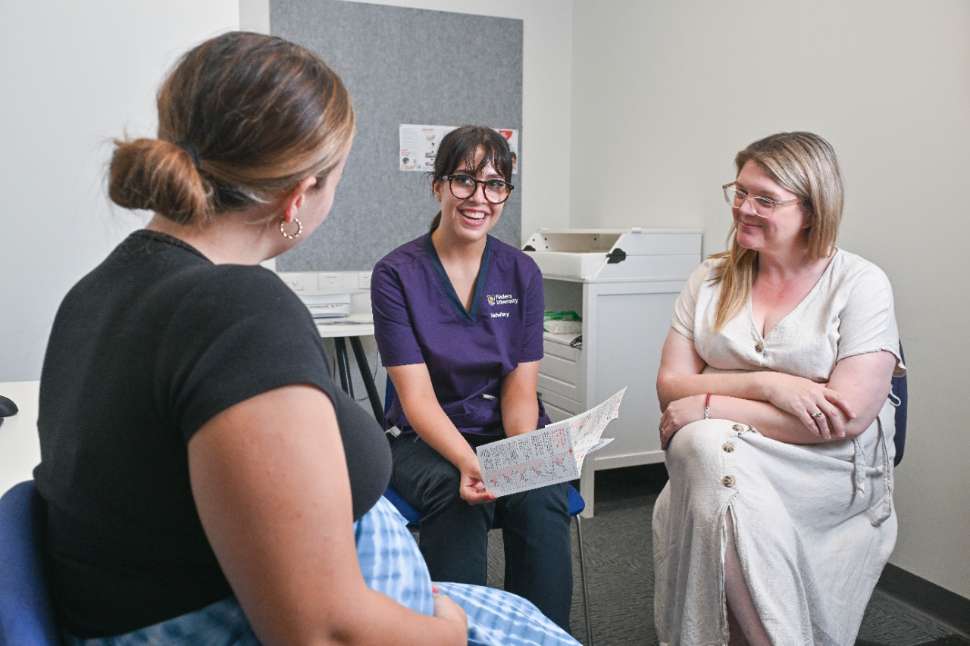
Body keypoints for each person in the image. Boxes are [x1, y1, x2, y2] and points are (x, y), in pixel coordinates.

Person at [34, 32, 577, 646]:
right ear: (300, 194)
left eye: (495, 184)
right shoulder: (242, 312)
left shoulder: (97, 291)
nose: (480, 198)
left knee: (540, 507)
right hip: (347, 622)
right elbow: (322, 629)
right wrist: (446, 628)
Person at [652, 132, 904, 645]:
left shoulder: (860, 283)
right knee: (710, 456)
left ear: (812, 210)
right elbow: (668, 386)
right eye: (739, 191)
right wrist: (772, 384)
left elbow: (844, 416)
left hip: (822, 461)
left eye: (765, 199)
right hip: (726, 453)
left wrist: (706, 401)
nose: (743, 208)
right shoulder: (711, 278)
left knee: (705, 449)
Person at [371, 125, 574, 631]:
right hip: (425, 438)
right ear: (437, 185)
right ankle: (456, 634)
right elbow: (415, 398)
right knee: (454, 493)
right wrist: (471, 464)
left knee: (543, 488)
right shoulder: (396, 274)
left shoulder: (520, 272)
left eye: (495, 184)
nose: (479, 198)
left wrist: (518, 458)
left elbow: (520, 389)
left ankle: (540, 637)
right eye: (464, 180)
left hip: (505, 428)